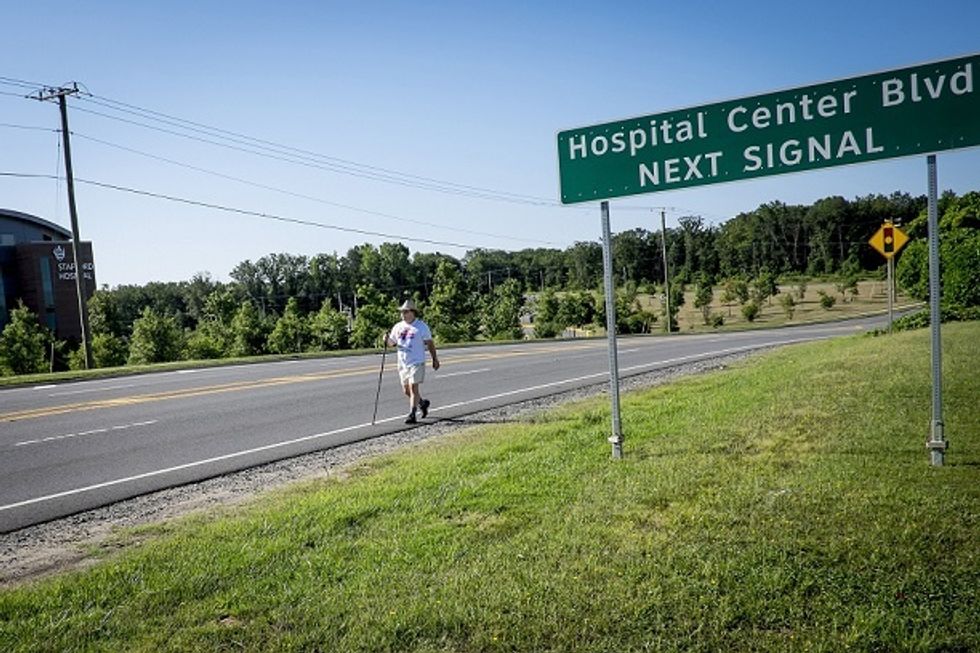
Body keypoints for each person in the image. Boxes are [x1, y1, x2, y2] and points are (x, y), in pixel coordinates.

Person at [385, 299, 439, 424]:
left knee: (413, 387)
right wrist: (386, 339)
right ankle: (422, 403)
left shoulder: (421, 327)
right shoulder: (398, 327)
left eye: (406, 312)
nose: (403, 314)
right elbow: (391, 343)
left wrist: (435, 359)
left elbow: (430, 343)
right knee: (406, 390)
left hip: (417, 361)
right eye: (402, 312)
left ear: (413, 312)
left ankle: (412, 413)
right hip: (403, 363)